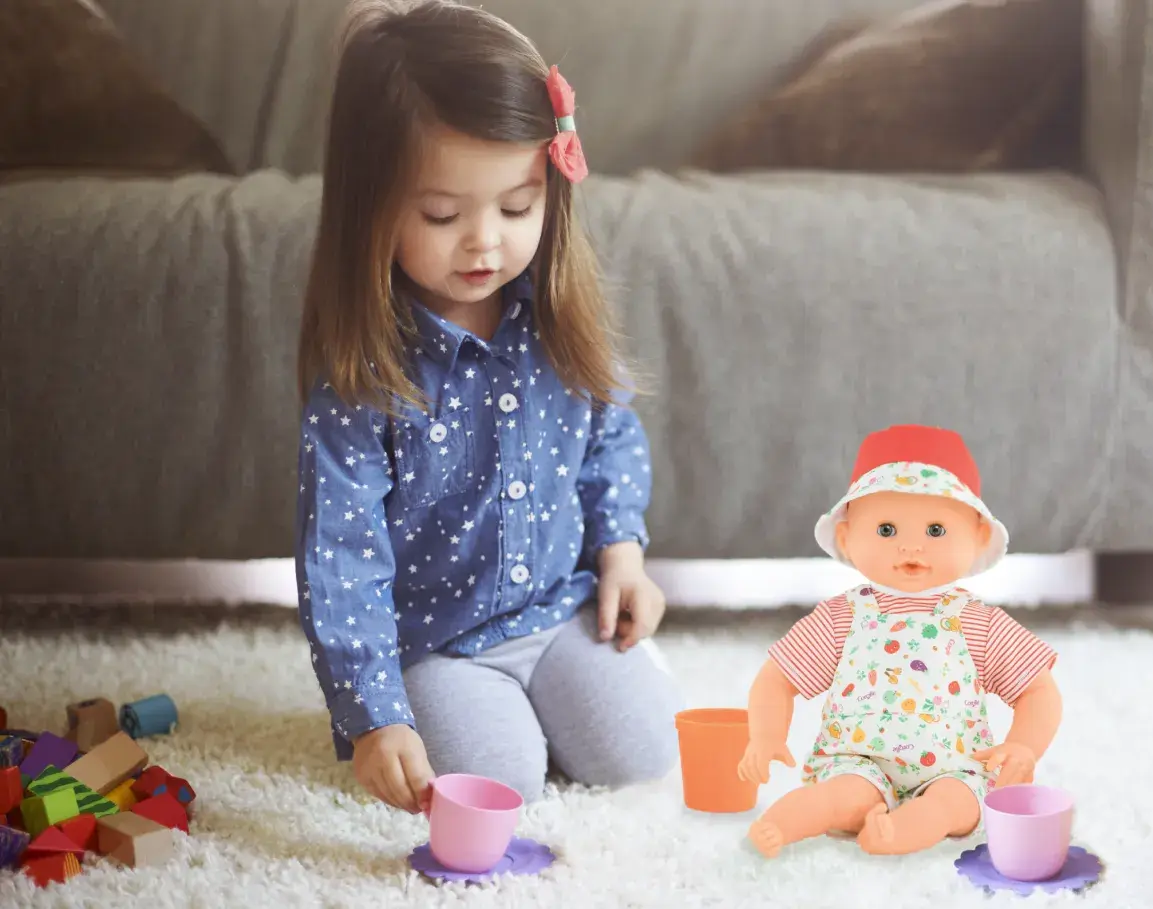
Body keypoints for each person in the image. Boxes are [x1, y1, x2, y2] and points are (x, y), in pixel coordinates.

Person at [292, 0, 677, 812]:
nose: (485, 242)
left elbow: (610, 438)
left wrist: (623, 557)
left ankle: (552, 703)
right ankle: (485, 719)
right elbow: (341, 559)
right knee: (500, 784)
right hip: (442, 647)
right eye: (442, 214)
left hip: (559, 614)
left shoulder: (556, 319)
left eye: (516, 207)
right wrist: (373, 717)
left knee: (641, 754)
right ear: (374, 206)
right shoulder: (363, 373)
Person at [739, 424, 1064, 857]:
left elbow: (1038, 688)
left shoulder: (979, 622)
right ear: (846, 537)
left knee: (957, 805)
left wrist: (1024, 744)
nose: (911, 547)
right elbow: (778, 677)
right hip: (859, 761)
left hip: (954, 767)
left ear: (978, 536)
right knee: (840, 798)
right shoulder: (842, 616)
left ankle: (906, 829)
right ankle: (785, 821)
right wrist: (764, 735)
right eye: (887, 530)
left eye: (935, 530)